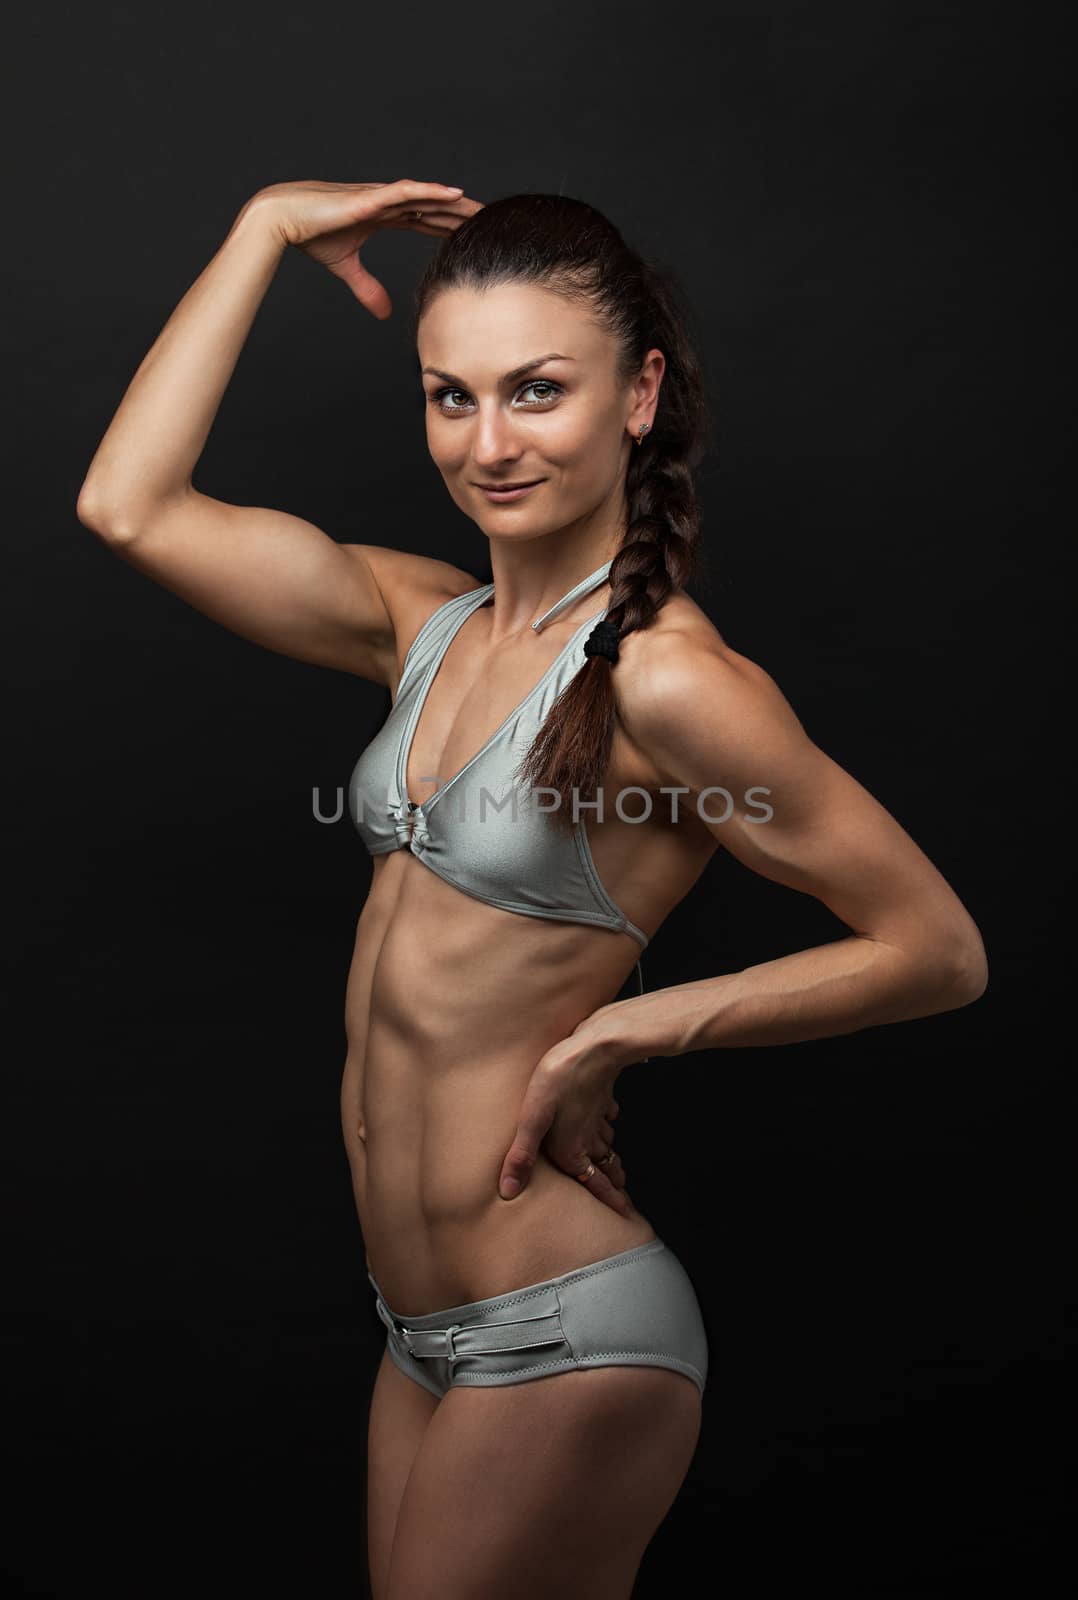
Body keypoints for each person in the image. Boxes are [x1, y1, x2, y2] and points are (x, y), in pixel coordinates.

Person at [76, 176, 989, 1598]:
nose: (488, 443)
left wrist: (626, 1031)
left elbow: (934, 948)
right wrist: (259, 229)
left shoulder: (667, 682)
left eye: (536, 391)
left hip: (561, 1329)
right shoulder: (417, 623)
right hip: (420, 1331)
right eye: (451, 397)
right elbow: (127, 507)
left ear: (638, 395)